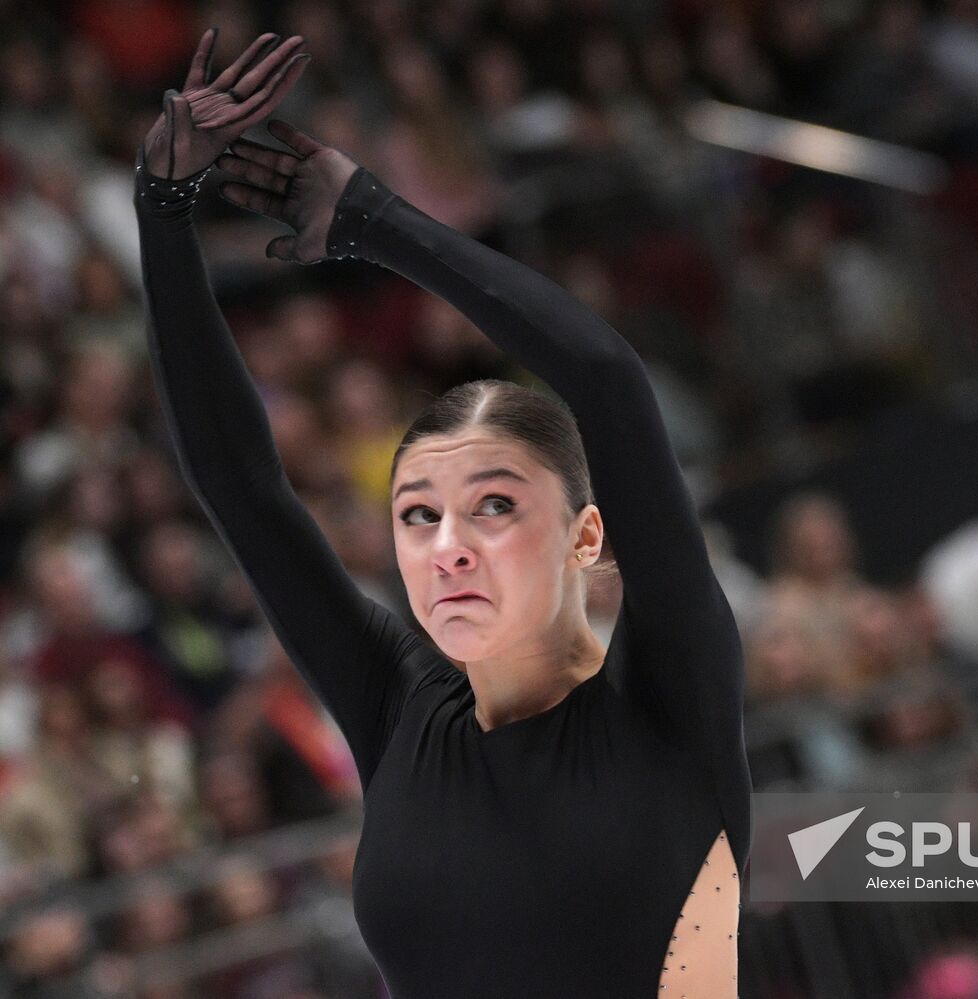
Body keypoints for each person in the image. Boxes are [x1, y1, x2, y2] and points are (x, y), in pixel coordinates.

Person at [133, 29, 750, 998]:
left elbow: (604, 383)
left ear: (585, 536)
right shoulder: (395, 705)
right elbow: (239, 488)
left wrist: (377, 222)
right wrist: (164, 211)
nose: (448, 547)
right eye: (418, 516)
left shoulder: (667, 696)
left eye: (492, 506)